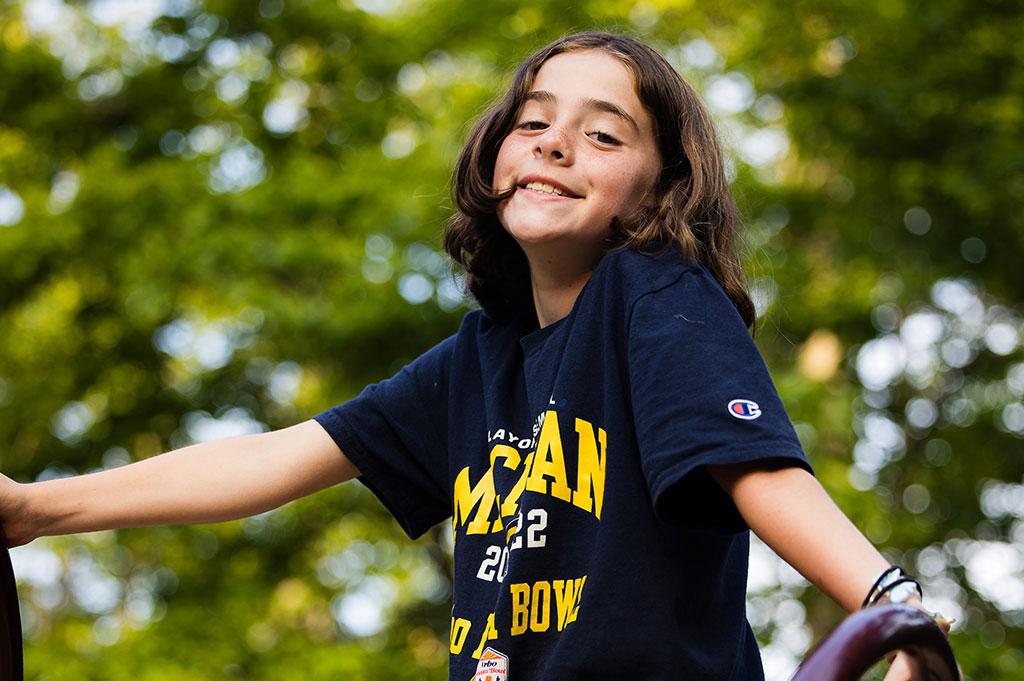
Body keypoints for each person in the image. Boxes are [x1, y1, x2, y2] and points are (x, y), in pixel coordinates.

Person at [0, 32, 947, 681]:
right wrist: (38, 507)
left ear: (662, 189)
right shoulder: (479, 358)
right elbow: (275, 458)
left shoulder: (654, 298)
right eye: (532, 121)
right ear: (497, 156)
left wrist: (893, 608)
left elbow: (758, 470)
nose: (556, 142)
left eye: (605, 132)